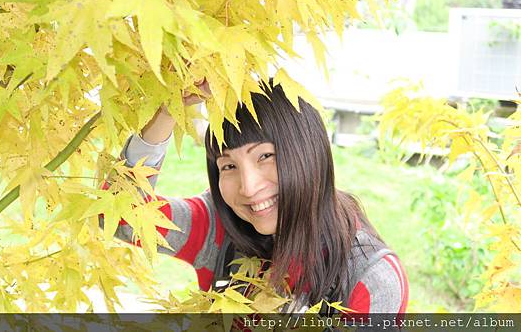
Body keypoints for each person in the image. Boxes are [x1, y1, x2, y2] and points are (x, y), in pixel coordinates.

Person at [101, 80, 408, 314]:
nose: (248, 187)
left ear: (309, 153)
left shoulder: (370, 278)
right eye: (229, 165)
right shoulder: (219, 226)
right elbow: (121, 217)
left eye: (265, 156)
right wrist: (167, 113)